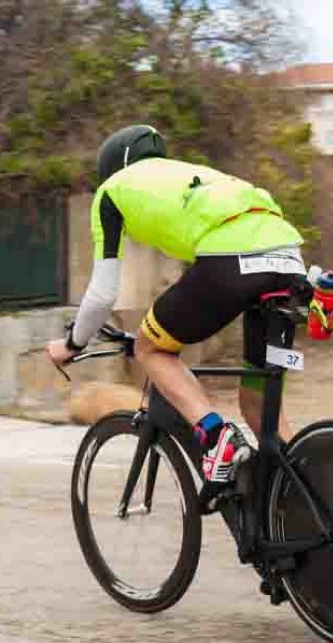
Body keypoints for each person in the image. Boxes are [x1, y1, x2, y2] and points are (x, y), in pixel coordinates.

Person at [46, 124, 306, 495]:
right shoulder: (193, 176)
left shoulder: (111, 192)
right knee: (258, 403)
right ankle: (306, 491)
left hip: (231, 260)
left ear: (111, 169)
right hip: (289, 259)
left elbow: (103, 294)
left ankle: (217, 440)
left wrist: (72, 344)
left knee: (150, 348)